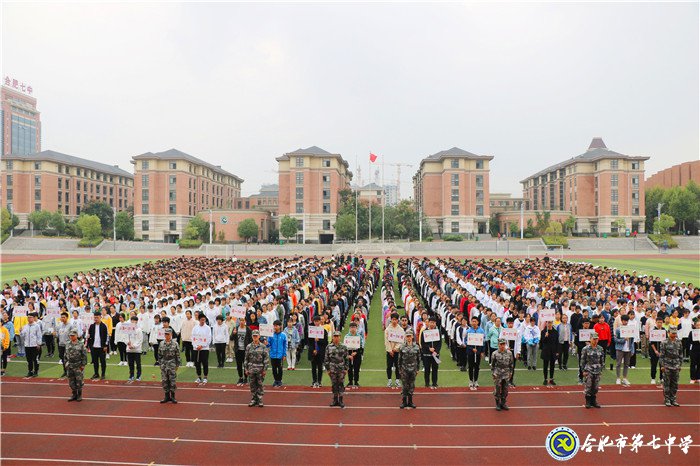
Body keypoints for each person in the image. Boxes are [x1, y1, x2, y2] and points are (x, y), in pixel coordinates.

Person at [245, 330, 269, 407]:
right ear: (252, 336)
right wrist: (246, 369)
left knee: (260, 384)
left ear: (259, 336)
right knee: (252, 385)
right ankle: (253, 399)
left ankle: (260, 399)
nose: (255, 337)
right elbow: (246, 358)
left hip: (260, 369)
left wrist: (265, 369)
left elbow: (266, 359)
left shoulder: (263, 346)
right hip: (251, 368)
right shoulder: (248, 346)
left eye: (256, 336)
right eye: (254, 336)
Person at [325, 330, 349, 408]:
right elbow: (326, 359)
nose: (336, 338)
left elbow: (346, 358)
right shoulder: (328, 347)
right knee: (334, 384)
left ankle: (341, 400)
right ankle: (335, 400)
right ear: (333, 337)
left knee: (341, 384)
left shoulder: (344, 347)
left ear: (340, 337)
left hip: (341, 368)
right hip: (332, 368)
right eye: (335, 336)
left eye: (337, 336)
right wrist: (328, 369)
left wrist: (346, 369)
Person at [397, 329, 420, 409]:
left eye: (410, 336)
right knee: (404, 385)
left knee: (411, 385)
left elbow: (418, 359)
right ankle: (404, 402)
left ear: (412, 337)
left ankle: (410, 401)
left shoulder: (416, 347)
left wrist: (417, 369)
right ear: (405, 337)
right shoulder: (402, 347)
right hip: (404, 369)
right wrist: (400, 369)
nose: (409, 338)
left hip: (413, 369)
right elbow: (399, 359)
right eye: (407, 336)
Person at [659, 326, 682, 407]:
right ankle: (667, 399)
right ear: (668, 333)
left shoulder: (679, 342)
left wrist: (680, 365)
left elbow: (680, 354)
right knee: (667, 383)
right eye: (673, 333)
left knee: (675, 383)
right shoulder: (664, 342)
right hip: (667, 365)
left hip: (676, 365)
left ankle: (673, 399)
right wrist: (662, 366)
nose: (674, 334)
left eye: (675, 333)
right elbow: (661, 356)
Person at [580, 331, 604, 409]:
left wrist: (601, 370)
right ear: (590, 339)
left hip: (597, 369)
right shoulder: (585, 349)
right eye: (594, 339)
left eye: (596, 339)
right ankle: (588, 401)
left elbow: (602, 360)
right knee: (588, 385)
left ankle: (594, 401)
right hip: (589, 369)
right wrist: (583, 370)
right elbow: (582, 360)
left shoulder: (600, 348)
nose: (595, 341)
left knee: (596, 386)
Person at [490, 338, 514, 411]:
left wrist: (511, 373)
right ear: (498, 345)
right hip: (498, 373)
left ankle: (503, 403)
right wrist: (493, 374)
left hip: (506, 373)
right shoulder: (494, 353)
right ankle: (497, 404)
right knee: (497, 389)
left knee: (505, 389)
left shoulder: (509, 353)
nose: (502, 346)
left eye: (503, 344)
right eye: (501, 344)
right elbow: (492, 365)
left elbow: (511, 364)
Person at [159, 328, 181, 404]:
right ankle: (166, 396)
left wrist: (177, 365)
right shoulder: (161, 343)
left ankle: (173, 397)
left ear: (171, 334)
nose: (166, 336)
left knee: (172, 381)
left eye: (168, 334)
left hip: (172, 363)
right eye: (165, 334)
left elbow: (177, 355)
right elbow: (159, 355)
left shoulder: (175, 344)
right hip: (164, 363)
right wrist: (160, 364)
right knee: (164, 380)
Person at [65, 330, 87, 402]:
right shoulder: (68, 344)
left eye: (73, 336)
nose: (72, 337)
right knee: (71, 381)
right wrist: (65, 363)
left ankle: (79, 394)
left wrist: (83, 365)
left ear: (76, 336)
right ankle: (74, 394)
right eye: (70, 336)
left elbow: (84, 355)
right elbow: (65, 354)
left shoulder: (81, 344)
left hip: (78, 365)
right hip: (70, 365)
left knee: (79, 381)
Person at [419, 316, 441, 389]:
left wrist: (436, 351)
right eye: (431, 322)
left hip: (435, 354)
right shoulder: (424, 332)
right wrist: (429, 348)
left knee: (435, 369)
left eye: (434, 323)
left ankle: (434, 383)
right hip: (426, 354)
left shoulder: (438, 332)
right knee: (427, 369)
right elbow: (422, 343)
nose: (432, 324)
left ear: (435, 323)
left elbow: (439, 343)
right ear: (428, 323)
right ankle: (427, 383)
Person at [384, 312, 404, 388]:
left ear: (398, 320)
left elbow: (401, 341)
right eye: (393, 319)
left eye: (396, 319)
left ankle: (397, 380)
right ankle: (389, 380)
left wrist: (395, 349)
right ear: (391, 320)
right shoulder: (388, 329)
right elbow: (386, 340)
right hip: (389, 352)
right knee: (389, 366)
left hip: (397, 351)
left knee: (397, 366)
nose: (394, 321)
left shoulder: (401, 329)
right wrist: (390, 350)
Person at [308, 315, 329, 388]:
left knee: (320, 367)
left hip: (320, 351)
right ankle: (314, 381)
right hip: (313, 351)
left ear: (320, 321)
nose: (316, 323)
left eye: (317, 321)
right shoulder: (311, 330)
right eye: (315, 321)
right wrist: (313, 349)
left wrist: (319, 340)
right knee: (313, 367)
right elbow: (309, 342)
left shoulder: (323, 330)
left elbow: (326, 342)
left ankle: (319, 381)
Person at [86, 311, 109, 380]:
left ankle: (103, 374)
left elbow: (107, 336)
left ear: (100, 317)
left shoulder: (104, 326)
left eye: (97, 317)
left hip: (101, 347)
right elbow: (89, 336)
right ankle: (96, 373)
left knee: (103, 361)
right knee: (95, 361)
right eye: (95, 317)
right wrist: (88, 345)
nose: (96, 319)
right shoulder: (92, 326)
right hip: (93, 347)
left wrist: (105, 345)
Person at [614, 314, 634, 386]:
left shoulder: (630, 329)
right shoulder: (618, 329)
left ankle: (625, 378)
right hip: (620, 348)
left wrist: (632, 350)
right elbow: (615, 339)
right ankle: (618, 378)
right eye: (624, 321)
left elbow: (632, 340)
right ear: (621, 321)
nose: (625, 322)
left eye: (627, 321)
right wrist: (623, 340)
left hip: (628, 349)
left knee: (626, 364)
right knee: (618, 364)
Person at [20, 312, 42, 377]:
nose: (29, 319)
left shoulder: (36, 326)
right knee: (29, 359)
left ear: (33, 318)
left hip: (34, 345)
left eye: (30, 317)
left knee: (35, 359)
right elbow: (22, 336)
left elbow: (39, 335)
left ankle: (36, 371)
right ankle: (30, 371)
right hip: (27, 345)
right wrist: (21, 331)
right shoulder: (25, 326)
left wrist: (39, 344)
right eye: (28, 317)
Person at [466, 316, 485, 390]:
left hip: (478, 351)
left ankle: (476, 380)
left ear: (478, 322)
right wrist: (471, 348)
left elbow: (483, 342)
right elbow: (466, 341)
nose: (474, 323)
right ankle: (471, 380)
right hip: (470, 351)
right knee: (470, 366)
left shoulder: (481, 331)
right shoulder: (468, 331)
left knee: (477, 366)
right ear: (470, 322)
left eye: (475, 321)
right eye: (472, 321)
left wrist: (482, 351)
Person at [192, 314, 212, 384]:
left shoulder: (208, 328)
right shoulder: (195, 328)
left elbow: (209, 339)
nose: (203, 321)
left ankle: (205, 377)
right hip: (196, 348)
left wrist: (202, 346)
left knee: (205, 363)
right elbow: (193, 338)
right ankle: (199, 377)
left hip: (204, 349)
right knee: (197, 363)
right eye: (202, 320)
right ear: (199, 320)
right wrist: (196, 346)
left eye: (204, 320)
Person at [231, 318, 252, 385]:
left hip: (245, 350)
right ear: (239, 321)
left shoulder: (248, 329)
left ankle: (246, 378)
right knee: (239, 365)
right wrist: (234, 334)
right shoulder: (236, 328)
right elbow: (231, 338)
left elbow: (251, 339)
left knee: (245, 365)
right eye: (241, 320)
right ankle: (240, 377)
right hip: (238, 350)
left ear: (245, 321)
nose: (242, 322)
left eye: (243, 320)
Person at [540, 320, 559, 386]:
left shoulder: (555, 332)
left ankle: (551, 379)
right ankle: (545, 379)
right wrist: (545, 336)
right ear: (546, 323)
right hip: (546, 351)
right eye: (548, 322)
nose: (549, 324)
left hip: (553, 351)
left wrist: (557, 351)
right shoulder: (543, 332)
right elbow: (542, 342)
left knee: (552, 366)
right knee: (545, 366)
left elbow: (557, 342)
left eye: (550, 322)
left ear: (552, 323)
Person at [346, 321, 365, 388]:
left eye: (354, 327)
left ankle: (356, 381)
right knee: (349, 369)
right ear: (349, 328)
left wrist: (356, 352)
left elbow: (361, 347)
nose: (353, 329)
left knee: (356, 368)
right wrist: (348, 355)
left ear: (356, 328)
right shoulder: (347, 336)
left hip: (357, 354)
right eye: (351, 327)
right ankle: (350, 381)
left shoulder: (359, 336)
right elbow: (345, 347)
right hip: (349, 354)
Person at [126, 316, 143, 382]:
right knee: (130, 364)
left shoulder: (139, 330)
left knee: (138, 363)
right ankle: (131, 375)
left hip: (137, 350)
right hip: (129, 350)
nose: (132, 322)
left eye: (134, 321)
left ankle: (138, 376)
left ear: (136, 321)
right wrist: (128, 343)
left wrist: (134, 346)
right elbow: (125, 337)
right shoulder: (128, 329)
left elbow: (140, 340)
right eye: (131, 321)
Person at [649, 316, 665, 386]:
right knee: (654, 365)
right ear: (656, 322)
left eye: (661, 323)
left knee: (662, 365)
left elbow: (666, 341)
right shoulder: (653, 331)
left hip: (662, 351)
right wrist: (655, 351)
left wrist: (663, 351)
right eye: (658, 322)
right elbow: (651, 342)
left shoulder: (664, 330)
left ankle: (661, 378)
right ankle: (653, 378)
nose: (659, 324)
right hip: (654, 350)